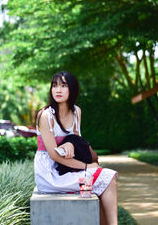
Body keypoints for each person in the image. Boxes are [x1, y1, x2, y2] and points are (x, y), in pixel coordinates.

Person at [34, 71, 118, 225]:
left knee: (104, 183)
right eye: (54, 86)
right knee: (107, 177)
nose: (58, 90)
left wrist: (70, 143)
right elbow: (54, 155)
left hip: (69, 168)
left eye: (63, 85)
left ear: (72, 89)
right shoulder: (45, 116)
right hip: (50, 174)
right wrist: (87, 166)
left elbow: (78, 142)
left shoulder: (76, 112)